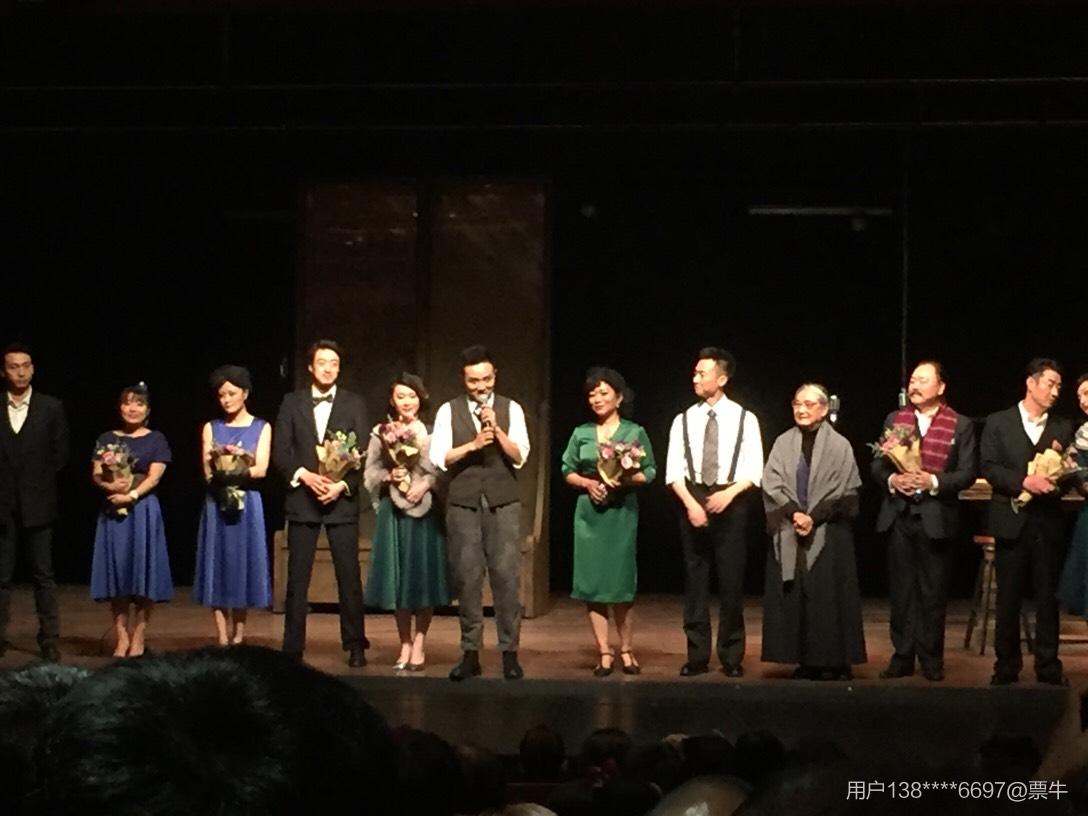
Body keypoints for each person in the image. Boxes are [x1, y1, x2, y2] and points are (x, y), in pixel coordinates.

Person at [430, 344, 531, 681]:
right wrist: (472, 445)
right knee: (468, 578)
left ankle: (509, 653)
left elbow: (520, 456)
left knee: (506, 577)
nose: (481, 387)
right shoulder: (449, 410)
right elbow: (439, 457)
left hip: (503, 502)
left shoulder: (511, 408)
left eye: (486, 379)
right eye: (474, 381)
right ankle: (470, 652)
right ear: (464, 379)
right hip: (463, 503)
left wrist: (497, 430)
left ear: (494, 376)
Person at [872, 361, 977, 682]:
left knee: (933, 594)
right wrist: (893, 480)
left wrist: (932, 481)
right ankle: (902, 656)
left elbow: (967, 473)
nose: (915, 386)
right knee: (901, 592)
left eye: (923, 380)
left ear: (941, 387)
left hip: (936, 517)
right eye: (913, 380)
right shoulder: (895, 419)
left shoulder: (960, 424)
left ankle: (931, 659)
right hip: (899, 515)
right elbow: (877, 465)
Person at [665, 347, 763, 678]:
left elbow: (754, 469)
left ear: (721, 379)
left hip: (731, 499)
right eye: (694, 373)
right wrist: (691, 504)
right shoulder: (683, 419)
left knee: (732, 583)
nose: (695, 378)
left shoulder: (745, 419)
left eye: (701, 373)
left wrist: (728, 494)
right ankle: (696, 655)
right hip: (693, 498)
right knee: (695, 584)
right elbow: (673, 470)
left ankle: (731, 656)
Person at [273, 340, 368, 666]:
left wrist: (341, 485)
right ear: (311, 367)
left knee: (349, 577)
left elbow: (363, 453)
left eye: (334, 363)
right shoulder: (292, 402)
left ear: (339, 369)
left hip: (341, 501)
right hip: (303, 499)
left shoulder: (354, 403)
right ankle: (292, 650)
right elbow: (281, 451)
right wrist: (305, 476)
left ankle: (355, 645)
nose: (328, 368)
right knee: (297, 579)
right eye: (322, 362)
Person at [761, 383, 865, 681]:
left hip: (829, 529)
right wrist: (796, 513)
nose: (801, 410)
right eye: (797, 404)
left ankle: (836, 661)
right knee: (800, 597)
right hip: (790, 526)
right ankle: (806, 660)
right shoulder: (783, 442)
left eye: (809, 404)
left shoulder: (840, 445)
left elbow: (845, 490)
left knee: (829, 596)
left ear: (823, 409)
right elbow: (772, 482)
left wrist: (814, 517)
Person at [981, 358, 1074, 686]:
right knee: (1008, 598)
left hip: (1047, 523)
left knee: (1047, 598)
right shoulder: (998, 422)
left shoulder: (1062, 427)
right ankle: (1006, 666)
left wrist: (1056, 480)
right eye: (1050, 384)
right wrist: (1024, 481)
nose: (1055, 391)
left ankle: (1048, 666)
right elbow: (989, 467)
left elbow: (1069, 471)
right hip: (1011, 521)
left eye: (1059, 386)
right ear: (1031, 384)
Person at [560, 367, 655, 676]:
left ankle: (626, 649)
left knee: (621, 584)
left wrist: (624, 479)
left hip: (621, 513)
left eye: (603, 393)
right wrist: (588, 484)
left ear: (619, 397)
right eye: (592, 394)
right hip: (589, 515)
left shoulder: (634, 432)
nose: (597, 399)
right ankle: (604, 651)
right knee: (593, 585)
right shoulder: (581, 433)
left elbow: (650, 471)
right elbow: (567, 469)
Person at [363, 373, 449, 671]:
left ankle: (421, 642)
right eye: (401, 396)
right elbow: (369, 472)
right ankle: (405, 642)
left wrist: (425, 484)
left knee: (423, 579)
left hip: (426, 513)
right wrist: (390, 476)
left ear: (420, 399)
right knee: (398, 581)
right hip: (395, 512)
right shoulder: (381, 432)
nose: (407, 402)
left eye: (412, 396)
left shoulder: (432, 433)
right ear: (392, 400)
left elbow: (443, 470)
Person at [90, 383, 173, 658]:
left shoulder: (156, 439)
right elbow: (97, 473)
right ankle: (122, 636)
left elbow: (155, 476)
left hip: (143, 510)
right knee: (118, 575)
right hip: (113, 509)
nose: (132, 408)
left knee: (144, 573)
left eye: (139, 403)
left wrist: (132, 494)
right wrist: (109, 487)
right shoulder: (106, 438)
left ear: (147, 410)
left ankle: (139, 636)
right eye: (127, 403)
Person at [193, 365, 272, 646]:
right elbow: (207, 471)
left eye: (231, 393)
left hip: (247, 502)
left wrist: (238, 469)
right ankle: (222, 635)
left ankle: (239, 634)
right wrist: (221, 472)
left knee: (242, 565)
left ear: (245, 393)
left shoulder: (261, 427)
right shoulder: (211, 427)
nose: (226, 400)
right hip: (217, 501)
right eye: (221, 395)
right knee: (217, 565)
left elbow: (261, 468)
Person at [0, 342, 68, 662]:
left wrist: (35, 484)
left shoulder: (50, 407)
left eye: (26, 365)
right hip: (2, 505)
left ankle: (49, 638)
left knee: (43, 575)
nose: (21, 372)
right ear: (3, 372)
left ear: (33, 369)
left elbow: (60, 454)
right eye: (14, 366)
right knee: (2, 577)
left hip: (38, 504)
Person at [1058, 374, 1088, 620]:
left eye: (1087, 394)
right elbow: (1078, 474)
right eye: (1079, 397)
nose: (1083, 401)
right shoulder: (1082, 435)